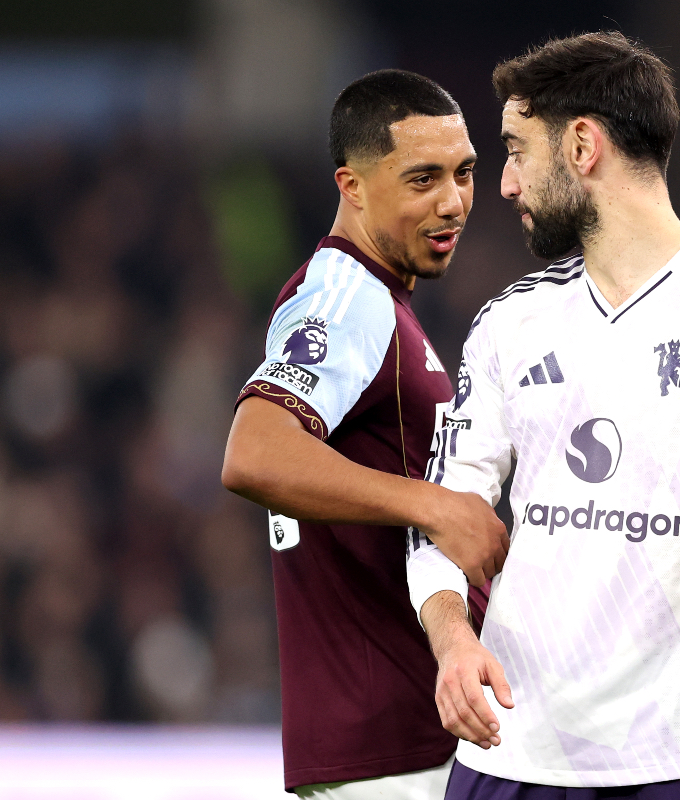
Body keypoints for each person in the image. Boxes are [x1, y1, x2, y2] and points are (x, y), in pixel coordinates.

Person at [405, 32, 680, 799]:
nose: (502, 185)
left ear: (581, 145)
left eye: (516, 151)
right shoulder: (509, 321)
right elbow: (441, 510)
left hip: (673, 755)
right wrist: (451, 638)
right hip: (509, 752)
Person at [221, 69, 508, 799]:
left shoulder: (384, 303)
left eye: (464, 174)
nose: (452, 203)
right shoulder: (346, 297)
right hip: (391, 754)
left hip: (413, 737)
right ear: (351, 186)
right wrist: (433, 504)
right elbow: (254, 449)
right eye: (422, 180)